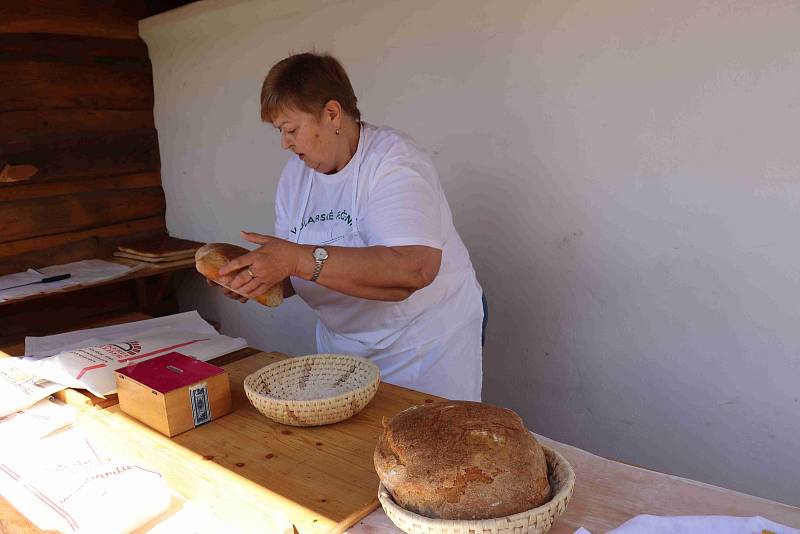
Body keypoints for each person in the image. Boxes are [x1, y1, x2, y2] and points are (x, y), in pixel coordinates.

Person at [213, 52, 484, 401]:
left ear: (331, 114)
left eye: (291, 129)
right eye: (280, 132)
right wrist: (257, 276)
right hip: (344, 352)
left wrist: (295, 259)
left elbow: (413, 269)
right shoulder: (296, 177)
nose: (285, 143)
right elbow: (299, 269)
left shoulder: (393, 162)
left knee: (430, 449)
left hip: (423, 347)